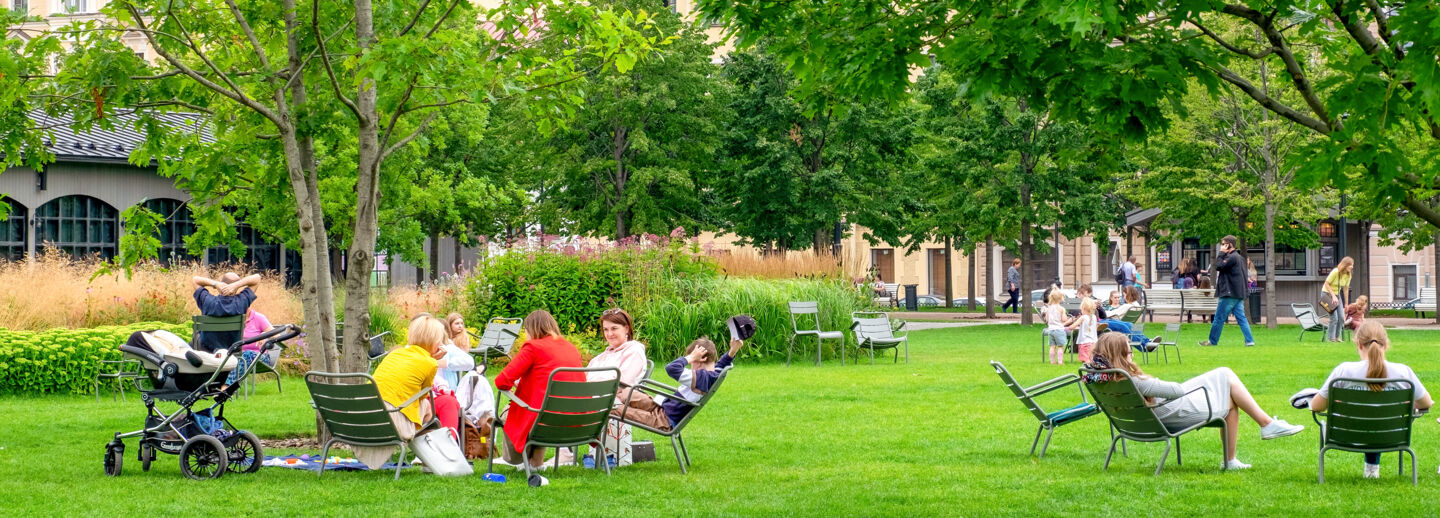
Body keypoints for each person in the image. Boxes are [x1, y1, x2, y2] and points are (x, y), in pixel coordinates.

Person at [1088, 333, 1304, 470]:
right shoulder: (1136, 382)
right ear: (1119, 357)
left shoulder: (1103, 379)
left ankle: (1248, 444)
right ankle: (1263, 427)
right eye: (1129, 353)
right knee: (1228, 385)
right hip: (1175, 413)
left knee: (1226, 381)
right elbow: (1177, 390)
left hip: (1155, 418)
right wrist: (1150, 379)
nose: (1132, 357)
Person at [1308, 322, 1432, 479]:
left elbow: (1316, 406)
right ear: (1385, 345)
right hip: (1392, 434)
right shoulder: (1403, 373)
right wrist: (1404, 405)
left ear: (1359, 344)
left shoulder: (1344, 371)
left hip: (1345, 435)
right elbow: (1426, 403)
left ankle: (1371, 469)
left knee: (1345, 423)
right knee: (1377, 422)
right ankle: (1372, 469)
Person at [493, 310, 584, 487]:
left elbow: (501, 381)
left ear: (531, 329)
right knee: (543, 408)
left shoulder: (533, 347)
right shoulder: (570, 347)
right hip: (574, 419)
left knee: (512, 412)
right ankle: (535, 463)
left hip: (541, 419)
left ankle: (519, 460)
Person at [561, 308, 648, 468]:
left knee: (565, 403)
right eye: (606, 329)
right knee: (559, 398)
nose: (609, 334)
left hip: (613, 399)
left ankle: (565, 452)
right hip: (593, 397)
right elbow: (583, 378)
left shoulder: (634, 351)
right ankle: (563, 451)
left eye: (614, 328)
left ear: (627, 329)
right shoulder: (602, 356)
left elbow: (623, 382)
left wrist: (590, 388)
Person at [359, 315, 445, 469]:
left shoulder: (395, 354)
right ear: (434, 341)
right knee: (427, 406)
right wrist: (432, 358)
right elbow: (423, 395)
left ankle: (425, 459)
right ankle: (428, 461)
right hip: (391, 422)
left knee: (423, 405)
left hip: (364, 415)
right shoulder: (430, 363)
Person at [611, 336, 744, 435]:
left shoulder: (701, 378)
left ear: (701, 359)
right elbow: (721, 365)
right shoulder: (712, 374)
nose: (690, 364)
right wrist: (732, 351)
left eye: (693, 359)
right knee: (626, 391)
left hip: (663, 420)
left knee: (611, 408)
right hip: (662, 407)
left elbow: (671, 368)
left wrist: (690, 357)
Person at [1198, 236, 1255, 347]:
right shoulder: (1239, 258)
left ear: (1230, 244)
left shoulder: (1232, 257)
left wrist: (1221, 253)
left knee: (1218, 318)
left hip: (1229, 293)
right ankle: (1250, 341)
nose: (1222, 246)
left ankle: (1212, 341)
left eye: (1224, 244)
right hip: (1237, 293)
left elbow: (1218, 266)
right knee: (1241, 318)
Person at [429, 313, 475, 441]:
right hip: (426, 394)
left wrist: (446, 364)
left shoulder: (448, 348)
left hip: (446, 391)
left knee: (447, 403)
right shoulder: (417, 350)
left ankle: (447, 444)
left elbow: (469, 362)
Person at [191, 272, 262, 353]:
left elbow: (195, 280)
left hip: (206, 350)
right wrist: (236, 285)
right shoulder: (242, 302)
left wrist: (215, 284)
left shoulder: (207, 301)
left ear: (221, 284)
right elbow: (257, 278)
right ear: (235, 289)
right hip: (232, 351)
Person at [221, 308, 275, 389]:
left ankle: (226, 387)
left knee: (247, 354)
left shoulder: (258, 318)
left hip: (260, 357)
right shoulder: (233, 319)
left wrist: (265, 335)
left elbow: (277, 335)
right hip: (237, 356)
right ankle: (212, 387)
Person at [1322, 257, 1355, 342]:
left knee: (1341, 318)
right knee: (1334, 317)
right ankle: (1331, 339)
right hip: (1326, 294)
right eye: (1350, 265)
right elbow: (1326, 283)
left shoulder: (1348, 275)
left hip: (1337, 295)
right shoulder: (1336, 272)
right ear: (1345, 265)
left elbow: (1346, 289)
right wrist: (1333, 296)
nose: (1352, 267)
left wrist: (1346, 304)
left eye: (1352, 265)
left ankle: (1337, 337)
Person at [1042, 290, 1069, 365]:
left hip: (1051, 330)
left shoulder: (1049, 309)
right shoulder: (1061, 309)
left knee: (1052, 347)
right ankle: (1060, 362)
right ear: (1060, 298)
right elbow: (1064, 319)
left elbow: (1047, 320)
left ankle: (1052, 362)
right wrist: (1065, 316)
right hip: (1059, 329)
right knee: (1060, 346)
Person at [1069, 298, 1099, 363]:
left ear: (1084, 309)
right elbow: (1095, 328)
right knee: (1091, 358)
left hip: (1084, 342)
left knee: (1086, 360)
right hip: (1093, 342)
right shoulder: (1094, 317)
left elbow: (1073, 326)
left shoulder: (1083, 317)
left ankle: (1088, 370)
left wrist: (1069, 327)